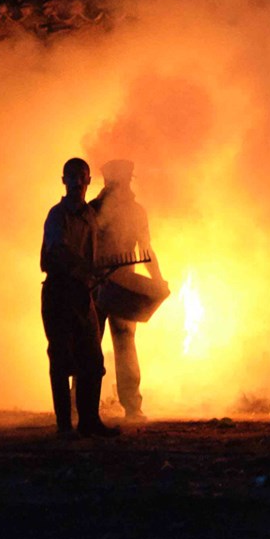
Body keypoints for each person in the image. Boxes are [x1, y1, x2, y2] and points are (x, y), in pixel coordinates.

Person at [42, 157, 117, 437]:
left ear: (88, 181)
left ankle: (89, 421)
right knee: (61, 359)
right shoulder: (57, 216)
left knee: (92, 361)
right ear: (64, 181)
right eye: (70, 177)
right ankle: (64, 426)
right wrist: (84, 267)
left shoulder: (89, 217)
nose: (76, 182)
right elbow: (57, 250)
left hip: (83, 294)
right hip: (59, 292)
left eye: (81, 177)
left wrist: (97, 274)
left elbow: (93, 252)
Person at [90, 159, 161, 420]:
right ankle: (80, 406)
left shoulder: (135, 212)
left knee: (125, 342)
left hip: (124, 287)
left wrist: (157, 280)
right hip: (95, 285)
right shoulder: (93, 211)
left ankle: (132, 406)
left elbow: (146, 250)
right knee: (90, 344)